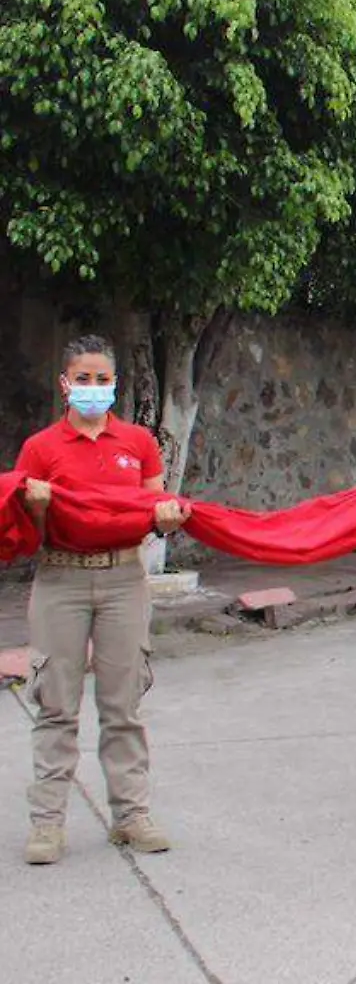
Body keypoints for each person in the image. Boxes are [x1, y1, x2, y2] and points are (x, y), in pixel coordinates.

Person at [13, 335, 188, 865]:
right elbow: (29, 531)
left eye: (102, 379)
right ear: (64, 384)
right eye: (83, 379)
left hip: (122, 580)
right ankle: (47, 824)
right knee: (55, 705)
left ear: (115, 384)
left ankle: (130, 816)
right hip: (61, 579)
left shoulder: (138, 444)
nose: (93, 388)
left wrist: (166, 519)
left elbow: (155, 513)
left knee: (123, 706)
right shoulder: (41, 448)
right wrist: (36, 504)